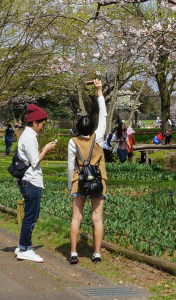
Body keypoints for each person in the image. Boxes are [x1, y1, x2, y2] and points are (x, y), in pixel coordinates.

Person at [67, 79, 107, 265]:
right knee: (97, 218)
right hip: (98, 179)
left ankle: (74, 252)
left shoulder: (72, 142)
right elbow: (104, 115)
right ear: (92, 128)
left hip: (79, 180)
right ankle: (96, 253)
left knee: (77, 217)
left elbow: (69, 166)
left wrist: (70, 185)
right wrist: (99, 92)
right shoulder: (98, 137)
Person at [15, 103, 58, 263]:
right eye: (42, 125)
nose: (42, 128)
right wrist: (46, 149)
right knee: (31, 217)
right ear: (34, 123)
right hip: (31, 181)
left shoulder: (26, 135)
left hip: (27, 180)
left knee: (30, 215)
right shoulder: (30, 137)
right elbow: (34, 161)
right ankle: (25, 248)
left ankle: (22, 246)